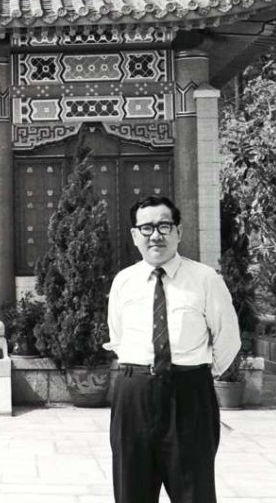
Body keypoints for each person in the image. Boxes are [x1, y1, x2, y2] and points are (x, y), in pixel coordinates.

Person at [105, 196, 240, 503]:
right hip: (133, 395)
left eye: (164, 226)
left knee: (194, 492)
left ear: (178, 231)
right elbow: (118, 335)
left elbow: (228, 336)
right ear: (135, 235)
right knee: (131, 491)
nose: (156, 235)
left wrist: (199, 375)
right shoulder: (123, 281)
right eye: (147, 227)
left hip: (189, 394)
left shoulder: (205, 279)